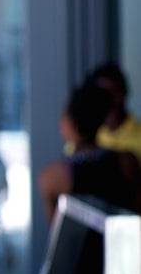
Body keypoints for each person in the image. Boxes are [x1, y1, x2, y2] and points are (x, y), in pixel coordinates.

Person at [38, 83, 141, 224]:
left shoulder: (53, 177)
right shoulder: (128, 161)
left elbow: (56, 233)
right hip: (121, 243)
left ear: (70, 122)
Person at [87, 61, 141, 163]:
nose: (107, 100)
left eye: (111, 93)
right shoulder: (86, 137)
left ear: (124, 93)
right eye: (101, 95)